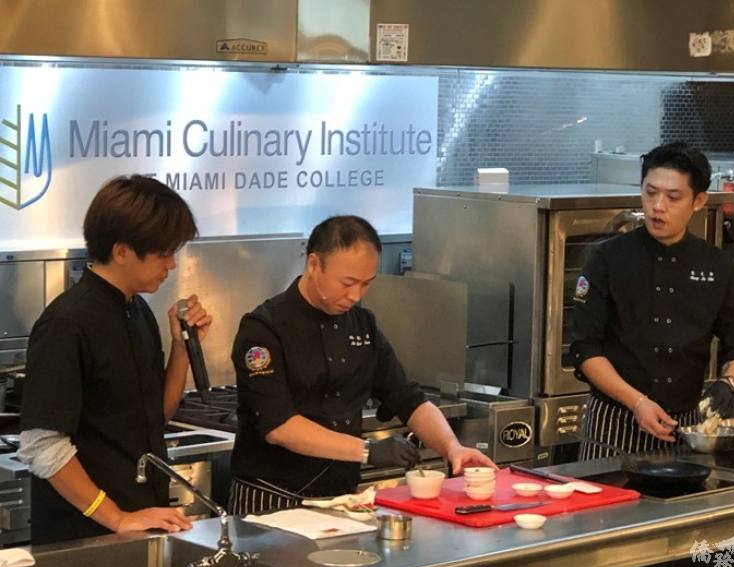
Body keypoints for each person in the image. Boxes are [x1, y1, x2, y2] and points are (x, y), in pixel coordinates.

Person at [228, 215, 496, 513]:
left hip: (340, 497)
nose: (355, 296)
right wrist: (367, 450)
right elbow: (280, 426)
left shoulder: (362, 325)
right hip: (272, 498)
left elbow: (408, 399)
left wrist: (452, 447)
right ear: (314, 264)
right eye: (347, 283)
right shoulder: (264, 328)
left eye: (366, 284)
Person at [19, 175, 212, 544]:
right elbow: (41, 445)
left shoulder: (136, 310)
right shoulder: (67, 322)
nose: (172, 264)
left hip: (141, 519)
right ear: (122, 251)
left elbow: (154, 417)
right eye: (163, 253)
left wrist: (181, 349)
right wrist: (117, 518)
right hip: (82, 537)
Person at [570, 142, 734, 460]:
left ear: (699, 201)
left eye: (673, 197)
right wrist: (637, 402)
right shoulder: (608, 258)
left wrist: (728, 383)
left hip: (686, 428)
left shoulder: (717, 266)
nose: (658, 206)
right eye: (650, 192)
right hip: (614, 424)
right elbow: (585, 349)